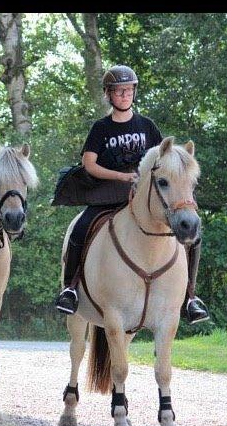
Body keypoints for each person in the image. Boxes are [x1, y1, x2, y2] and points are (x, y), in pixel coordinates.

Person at [54, 65, 210, 324]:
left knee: (193, 236)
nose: (124, 95)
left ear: (134, 92)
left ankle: (190, 297)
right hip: (107, 192)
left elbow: (165, 160)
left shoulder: (147, 126)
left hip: (144, 196)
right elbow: (89, 164)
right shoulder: (101, 128)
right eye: (118, 91)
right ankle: (70, 289)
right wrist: (121, 176)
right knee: (81, 228)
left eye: (128, 90)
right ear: (109, 95)